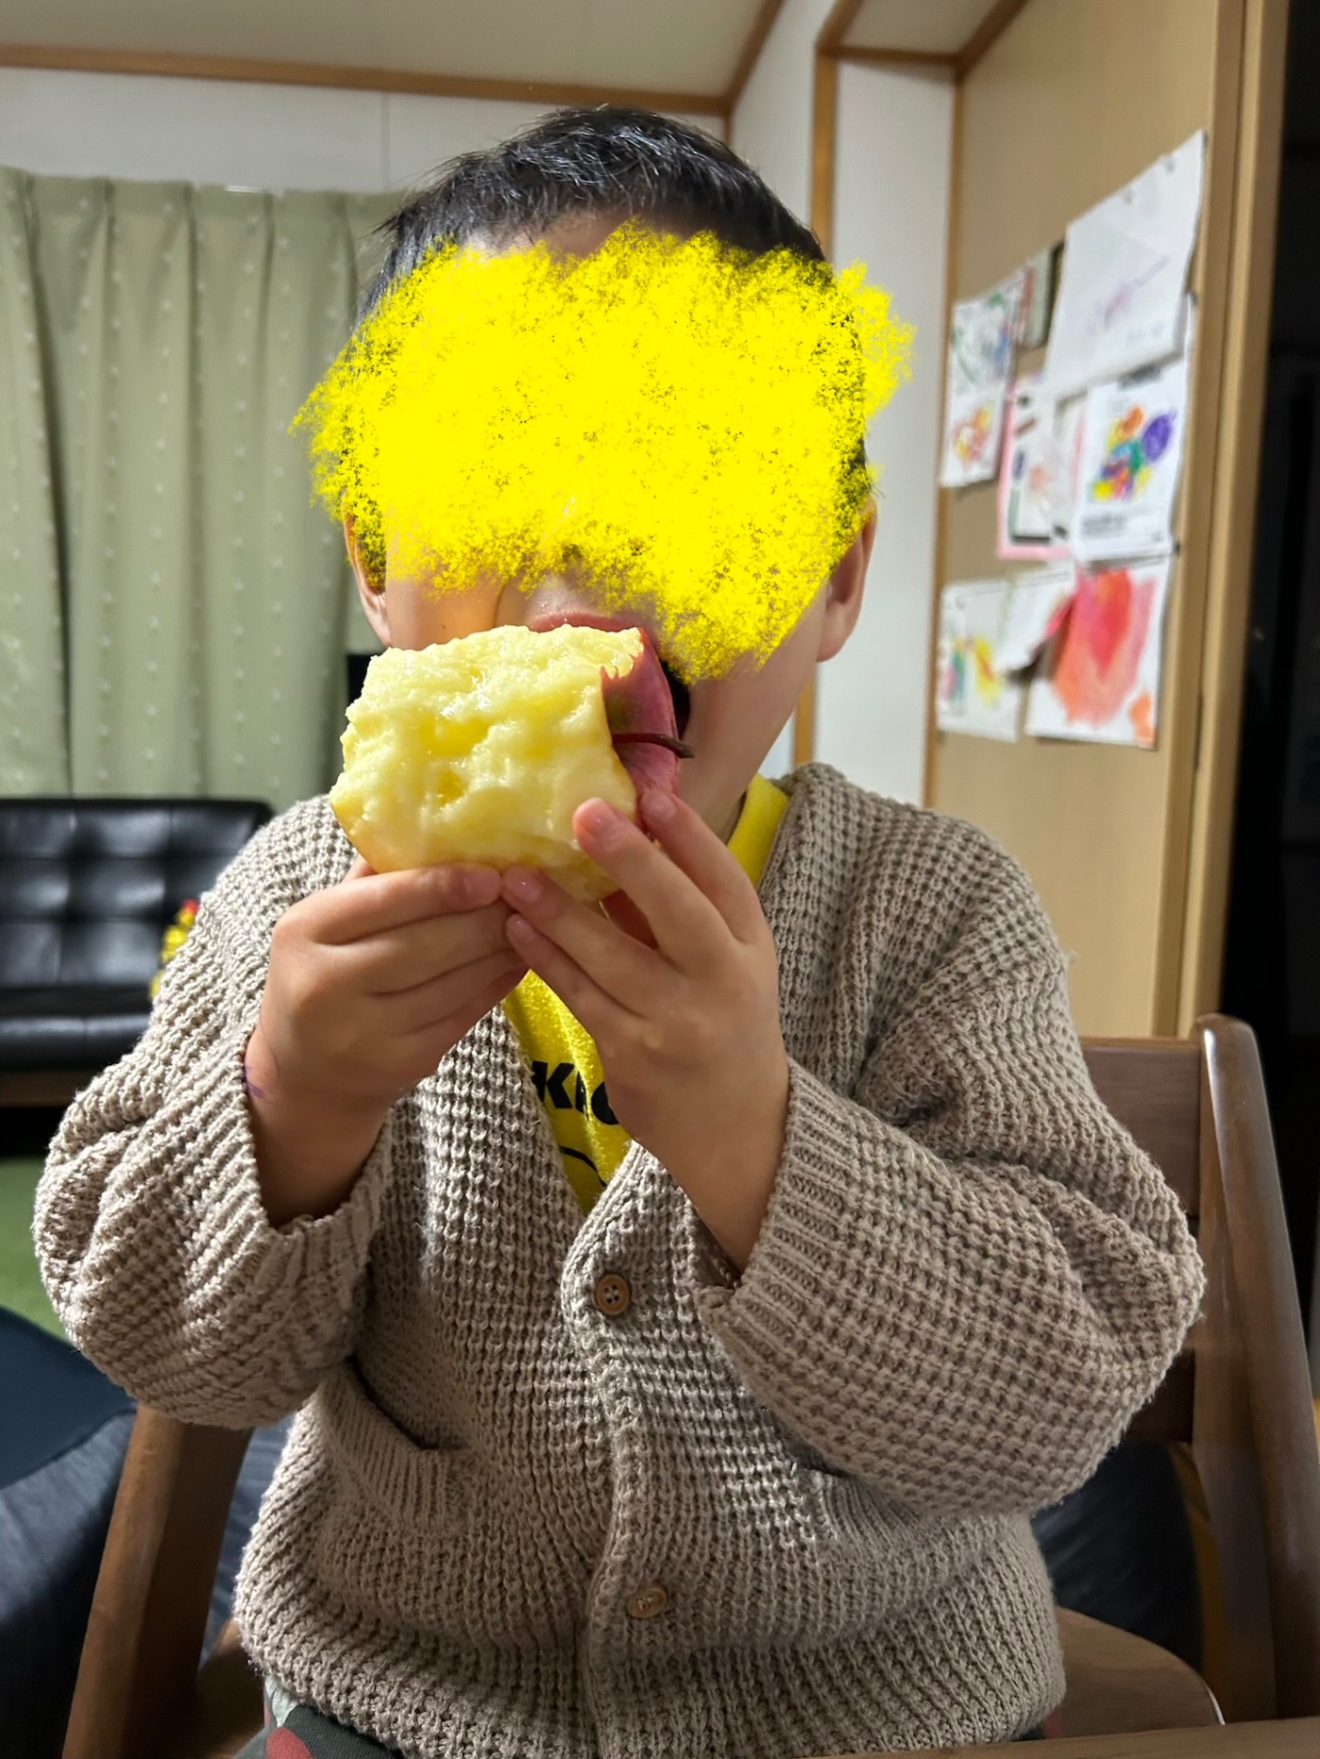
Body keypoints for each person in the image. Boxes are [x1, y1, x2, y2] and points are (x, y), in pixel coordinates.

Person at [35, 108, 1203, 1759]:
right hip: (413, 1696)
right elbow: (165, 1344)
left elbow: (1061, 1391)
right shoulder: (299, 894)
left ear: (836, 578)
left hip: (874, 1708)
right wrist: (292, 1108)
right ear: (373, 559)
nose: (587, 551)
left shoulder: (934, 910)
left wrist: (757, 1141)